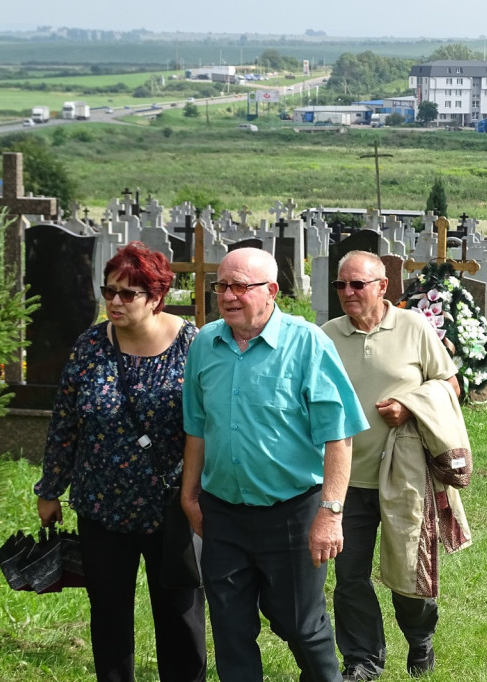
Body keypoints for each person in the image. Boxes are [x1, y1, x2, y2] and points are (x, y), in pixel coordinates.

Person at [181, 248, 369, 682]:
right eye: (222, 285)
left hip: (292, 511)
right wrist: (190, 494)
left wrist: (331, 513)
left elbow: (338, 434)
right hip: (223, 511)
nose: (228, 295)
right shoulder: (205, 344)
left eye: (240, 286)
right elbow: (196, 427)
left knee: (300, 626)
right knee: (230, 629)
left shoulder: (307, 344)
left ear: (271, 291)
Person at [35, 242, 206, 682]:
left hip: (171, 507)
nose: (114, 301)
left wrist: (199, 493)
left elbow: (208, 424)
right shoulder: (91, 344)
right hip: (101, 506)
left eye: (128, 294)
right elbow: (66, 421)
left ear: (156, 297)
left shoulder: (193, 344)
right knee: (109, 615)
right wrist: (50, 489)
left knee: (180, 616)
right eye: (108, 291)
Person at [322, 251, 469, 681]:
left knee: (408, 570)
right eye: (340, 285)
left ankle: (420, 636)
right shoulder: (326, 336)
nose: (347, 293)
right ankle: (363, 659)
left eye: (357, 285)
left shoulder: (413, 327)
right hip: (346, 479)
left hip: (405, 475)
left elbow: (450, 385)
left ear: (382, 287)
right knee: (349, 578)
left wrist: (409, 404)